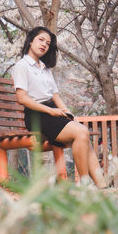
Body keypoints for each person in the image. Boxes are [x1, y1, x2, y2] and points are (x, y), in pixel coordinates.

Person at [12, 26, 106, 188]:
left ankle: (103, 187)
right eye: (41, 40)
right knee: (81, 132)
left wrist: (68, 113)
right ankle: (84, 183)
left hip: (52, 112)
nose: (44, 45)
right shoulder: (22, 66)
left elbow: (55, 96)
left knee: (83, 135)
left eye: (48, 43)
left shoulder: (45, 68)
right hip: (37, 115)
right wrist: (51, 111)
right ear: (30, 40)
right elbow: (22, 98)